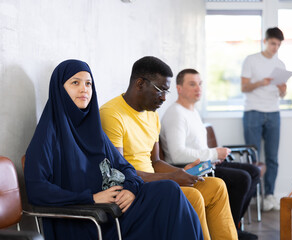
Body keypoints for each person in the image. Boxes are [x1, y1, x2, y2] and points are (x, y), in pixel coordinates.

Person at [24, 59, 204, 240]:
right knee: (169, 202)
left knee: (169, 191)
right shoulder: (47, 135)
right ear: (59, 89)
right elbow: (37, 190)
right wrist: (91, 198)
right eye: (75, 83)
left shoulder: (94, 132)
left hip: (112, 211)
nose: (84, 89)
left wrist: (131, 188)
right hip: (83, 220)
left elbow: (125, 167)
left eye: (88, 83)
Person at [100, 56, 238, 240]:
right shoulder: (112, 114)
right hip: (136, 188)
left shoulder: (152, 114)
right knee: (193, 196)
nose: (164, 98)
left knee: (217, 186)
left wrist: (182, 173)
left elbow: (155, 161)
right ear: (140, 84)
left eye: (167, 91)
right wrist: (172, 177)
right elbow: (119, 173)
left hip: (158, 180)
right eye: (160, 90)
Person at [160, 68, 260, 240]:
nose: (198, 88)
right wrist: (214, 154)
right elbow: (177, 154)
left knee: (253, 171)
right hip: (186, 168)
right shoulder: (176, 114)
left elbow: (198, 146)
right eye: (192, 84)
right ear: (179, 88)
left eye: (200, 84)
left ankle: (232, 225)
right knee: (242, 178)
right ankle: (227, 229)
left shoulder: (192, 111)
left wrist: (214, 156)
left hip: (206, 163)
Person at [241, 27, 287, 211]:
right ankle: (253, 196)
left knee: (272, 158)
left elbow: (283, 94)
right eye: (273, 43)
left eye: (278, 45)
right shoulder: (251, 60)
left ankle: (269, 195)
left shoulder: (280, 64)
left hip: (274, 112)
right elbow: (243, 87)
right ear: (265, 41)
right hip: (253, 111)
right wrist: (262, 82)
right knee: (254, 157)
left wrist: (283, 89)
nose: (275, 47)